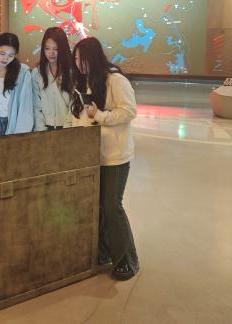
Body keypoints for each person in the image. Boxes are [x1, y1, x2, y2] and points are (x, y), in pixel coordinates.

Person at [70, 37, 139, 281]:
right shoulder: (84, 81)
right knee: (98, 207)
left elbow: (129, 111)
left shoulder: (115, 80)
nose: (79, 64)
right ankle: (105, 251)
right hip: (92, 155)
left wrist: (100, 115)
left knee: (112, 206)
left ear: (95, 57)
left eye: (83, 59)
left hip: (115, 157)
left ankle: (127, 261)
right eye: (76, 59)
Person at [32, 27, 73, 131]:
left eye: (56, 49)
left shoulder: (72, 72)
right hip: (45, 129)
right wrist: (41, 130)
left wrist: (68, 128)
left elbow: (74, 104)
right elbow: (36, 106)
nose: (51, 53)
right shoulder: (37, 73)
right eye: (47, 48)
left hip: (69, 128)